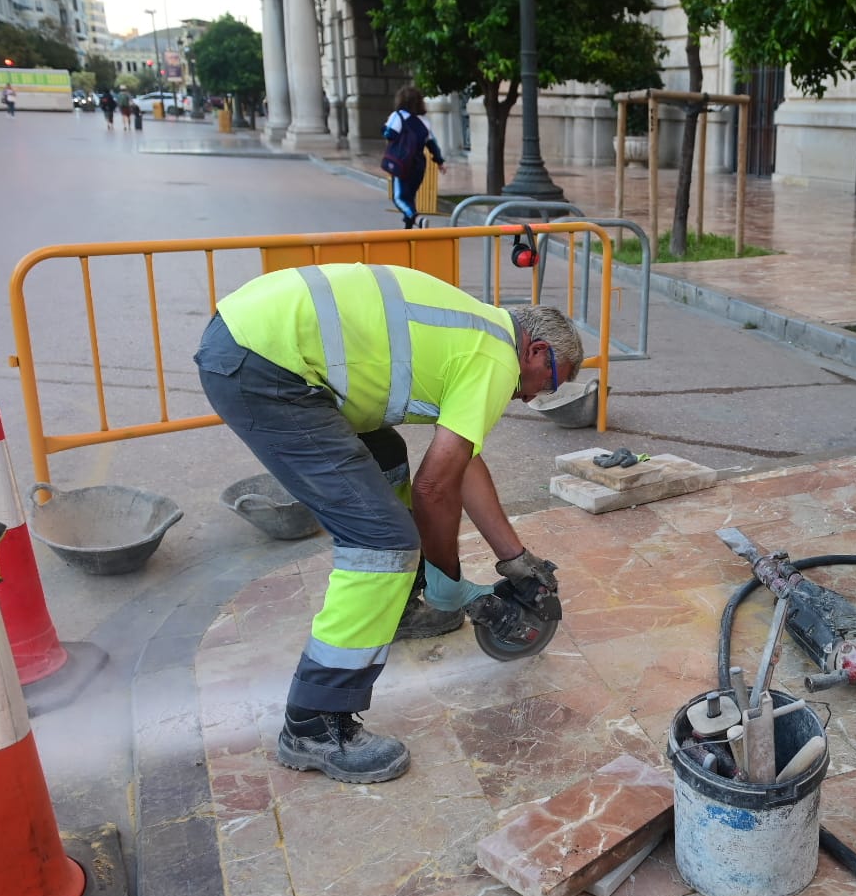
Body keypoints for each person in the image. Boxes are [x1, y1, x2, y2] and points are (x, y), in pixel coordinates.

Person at [195, 263, 583, 783]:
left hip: (252, 338)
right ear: (536, 351)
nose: (537, 397)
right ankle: (313, 721)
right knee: (382, 541)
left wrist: (515, 559)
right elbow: (434, 490)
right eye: (551, 381)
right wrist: (449, 586)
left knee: (386, 454)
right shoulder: (496, 359)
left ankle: (397, 607)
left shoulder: (480, 330)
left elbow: (461, 463)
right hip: (266, 364)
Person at [383, 86, 446, 229]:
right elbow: (432, 144)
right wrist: (440, 162)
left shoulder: (397, 116)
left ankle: (417, 219)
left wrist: (385, 128)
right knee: (409, 196)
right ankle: (408, 230)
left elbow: (389, 134)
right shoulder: (424, 121)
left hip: (402, 163)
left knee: (398, 198)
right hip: (419, 165)